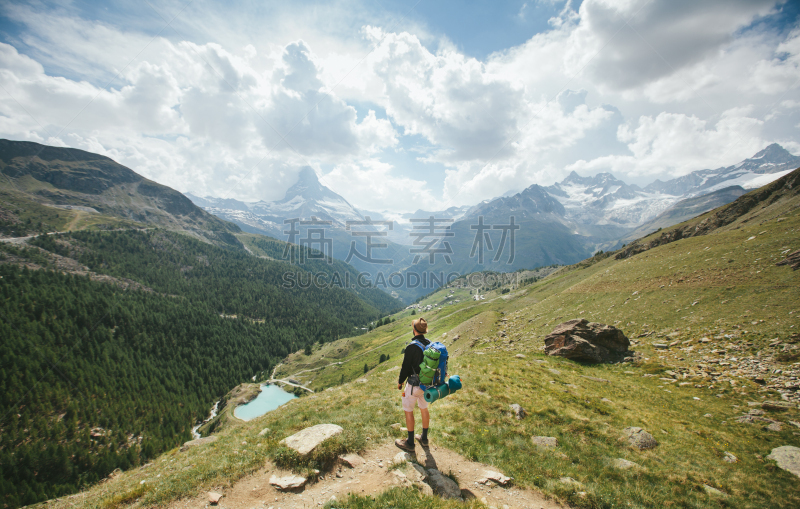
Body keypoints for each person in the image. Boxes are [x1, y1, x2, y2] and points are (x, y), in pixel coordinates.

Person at [395, 317, 431, 452]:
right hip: (426, 385)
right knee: (424, 408)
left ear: (414, 330)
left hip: (413, 385)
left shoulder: (411, 347)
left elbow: (405, 367)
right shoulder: (429, 344)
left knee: (408, 410)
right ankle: (424, 438)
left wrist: (400, 381)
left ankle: (410, 442)